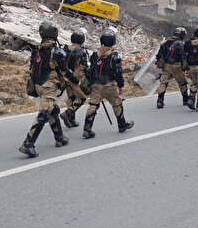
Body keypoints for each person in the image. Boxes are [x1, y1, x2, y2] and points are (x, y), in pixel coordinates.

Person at [19, 20, 70, 158]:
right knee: (44, 114)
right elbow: (64, 70)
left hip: (38, 85)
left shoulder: (37, 49)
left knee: (54, 110)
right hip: (49, 87)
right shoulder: (56, 51)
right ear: (55, 33)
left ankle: (59, 137)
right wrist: (76, 81)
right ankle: (28, 143)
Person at [82, 28, 134, 138]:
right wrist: (121, 86)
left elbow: (90, 68)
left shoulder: (95, 55)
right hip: (109, 85)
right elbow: (118, 73)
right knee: (117, 103)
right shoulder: (114, 56)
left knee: (93, 105)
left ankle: (87, 128)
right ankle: (122, 125)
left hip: (96, 85)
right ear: (113, 42)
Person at [59, 28, 92, 128]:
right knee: (81, 98)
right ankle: (68, 113)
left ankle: (71, 119)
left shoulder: (65, 49)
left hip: (65, 77)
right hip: (76, 78)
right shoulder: (82, 51)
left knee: (71, 97)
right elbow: (84, 66)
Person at [154, 26, 188, 109]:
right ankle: (185, 99)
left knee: (163, 82)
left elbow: (158, 55)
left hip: (166, 66)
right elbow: (184, 57)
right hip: (177, 66)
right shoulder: (181, 45)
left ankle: (160, 100)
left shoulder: (165, 43)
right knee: (182, 83)